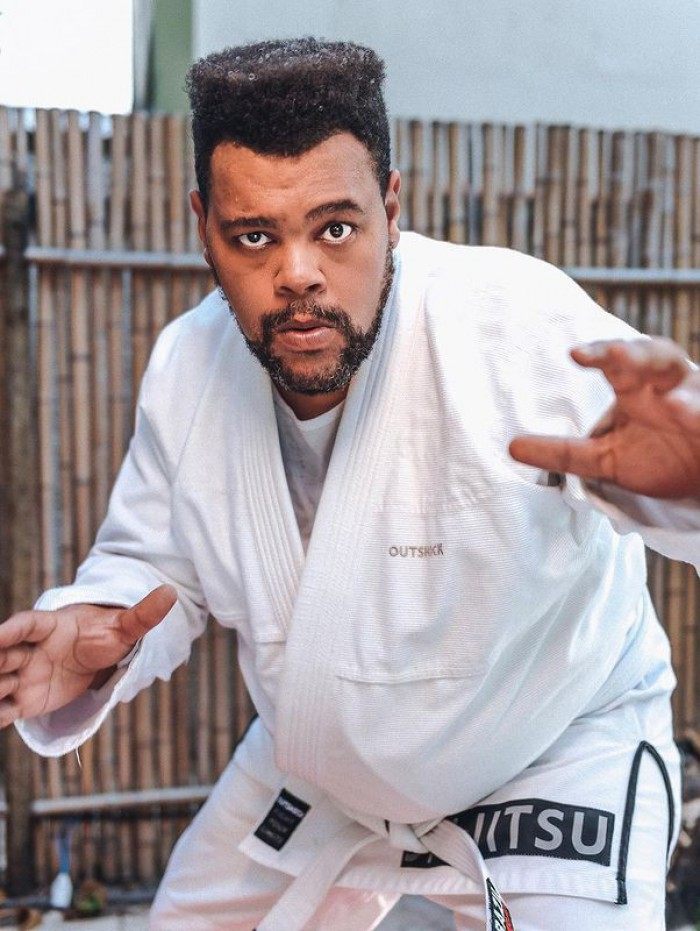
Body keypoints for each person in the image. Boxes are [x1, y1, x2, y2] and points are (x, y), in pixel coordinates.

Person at [2, 38, 700, 931]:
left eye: (335, 228)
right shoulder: (188, 368)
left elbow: (673, 477)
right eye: (255, 236)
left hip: (555, 744)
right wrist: (95, 625)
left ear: (391, 209)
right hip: (326, 763)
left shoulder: (516, 324)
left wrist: (691, 485)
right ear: (203, 226)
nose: (297, 273)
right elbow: (156, 566)